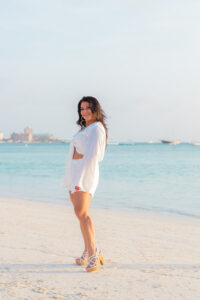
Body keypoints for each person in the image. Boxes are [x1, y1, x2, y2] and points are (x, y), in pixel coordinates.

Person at [64, 96, 108, 272]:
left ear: (95, 109)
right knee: (80, 214)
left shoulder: (97, 128)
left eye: (88, 108)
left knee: (82, 214)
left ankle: (93, 253)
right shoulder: (85, 128)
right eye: (82, 109)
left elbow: (96, 155)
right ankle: (88, 249)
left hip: (84, 174)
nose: (85, 111)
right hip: (74, 173)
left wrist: (80, 174)